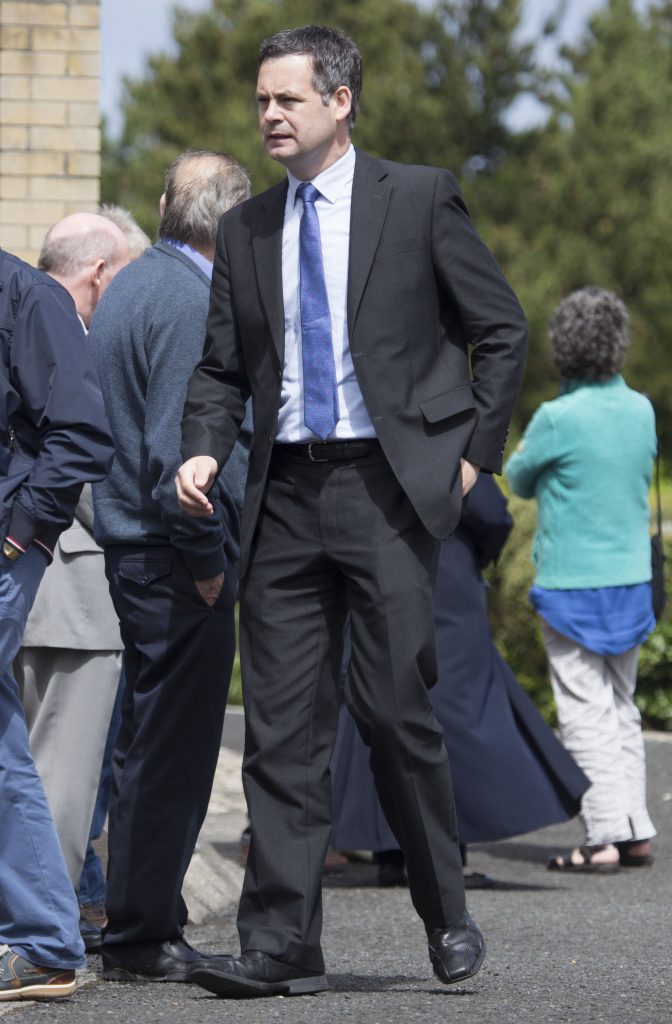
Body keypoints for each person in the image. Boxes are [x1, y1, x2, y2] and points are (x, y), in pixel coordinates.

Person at [176, 26, 527, 999]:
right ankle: (280, 942)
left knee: (393, 709)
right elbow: (218, 368)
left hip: (389, 494)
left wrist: (468, 463)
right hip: (281, 498)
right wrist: (204, 441)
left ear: (341, 103)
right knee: (282, 733)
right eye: (260, 101)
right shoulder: (246, 230)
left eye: (287, 99)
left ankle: (445, 911)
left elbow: (499, 330)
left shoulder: (415, 199)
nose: (269, 117)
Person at [89, 150, 251, 983]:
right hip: (172, 555)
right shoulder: (192, 300)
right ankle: (144, 935)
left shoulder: (133, 282)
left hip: (136, 549)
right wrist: (209, 563)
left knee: (145, 747)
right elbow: (177, 453)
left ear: (163, 207)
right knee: (171, 756)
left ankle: (140, 923)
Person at [331, 475, 590, 885]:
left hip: (371, 571)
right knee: (454, 706)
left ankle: (389, 852)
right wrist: (479, 553)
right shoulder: (440, 431)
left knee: (381, 694)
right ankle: (446, 853)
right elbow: (489, 512)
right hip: (445, 573)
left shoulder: (364, 431)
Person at [505, 286, 657, 872]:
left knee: (583, 710)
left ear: (563, 349)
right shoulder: (641, 409)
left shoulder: (557, 417)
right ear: (618, 344)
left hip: (572, 586)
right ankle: (635, 829)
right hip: (631, 582)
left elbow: (517, 480)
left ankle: (599, 838)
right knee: (622, 706)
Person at [13, 213, 131, 955]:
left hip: (22, 580)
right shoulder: (76, 340)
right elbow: (94, 470)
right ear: (96, 273)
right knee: (58, 786)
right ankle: (42, 940)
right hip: (73, 593)